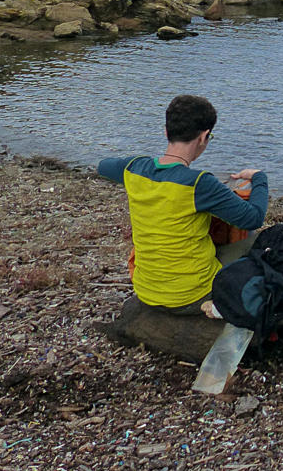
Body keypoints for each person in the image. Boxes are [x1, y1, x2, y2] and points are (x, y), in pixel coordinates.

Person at [98, 94, 268, 314]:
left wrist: (140, 163)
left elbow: (103, 166)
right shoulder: (200, 183)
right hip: (190, 295)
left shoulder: (134, 168)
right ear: (204, 136)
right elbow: (254, 216)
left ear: (167, 131)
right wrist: (259, 178)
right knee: (256, 240)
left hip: (146, 289)